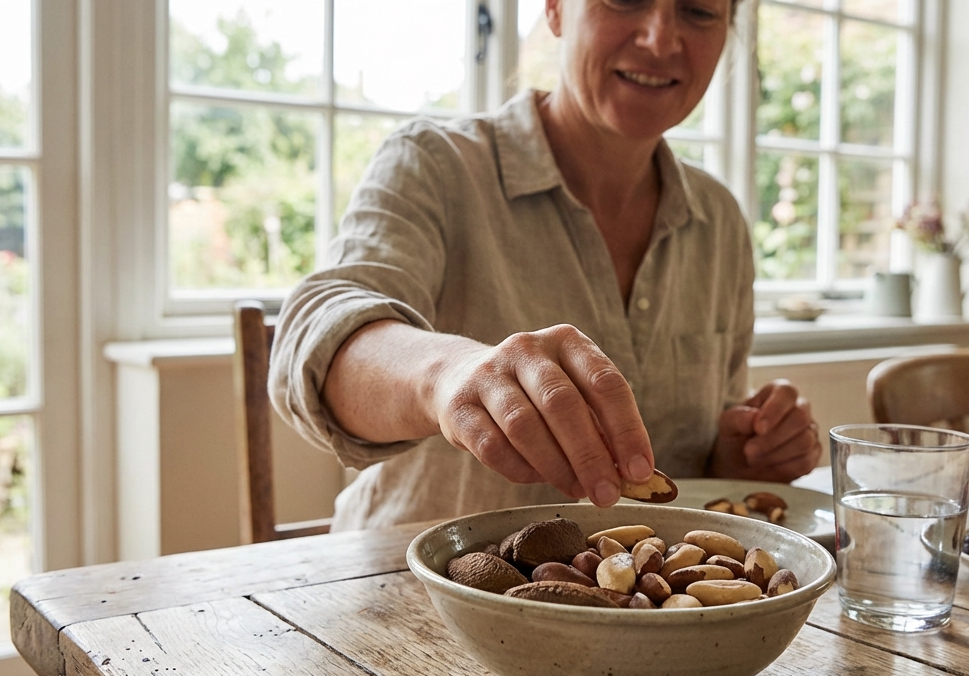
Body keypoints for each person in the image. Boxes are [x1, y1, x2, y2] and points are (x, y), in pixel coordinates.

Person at [271, 0, 821, 531]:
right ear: (555, 8)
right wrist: (448, 376)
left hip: (632, 616)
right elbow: (317, 341)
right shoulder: (436, 164)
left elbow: (684, 475)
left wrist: (738, 454)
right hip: (402, 599)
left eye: (699, 11)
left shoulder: (718, 220)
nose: (660, 38)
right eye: (626, 0)